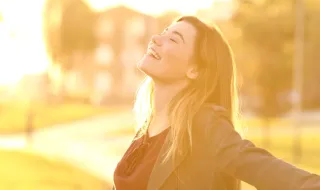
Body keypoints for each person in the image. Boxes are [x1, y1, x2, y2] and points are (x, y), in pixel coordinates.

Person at [113, 16, 320, 190]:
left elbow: (260, 167)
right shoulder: (148, 128)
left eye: (173, 39)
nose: (156, 38)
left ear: (194, 70)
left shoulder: (204, 124)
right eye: (164, 32)